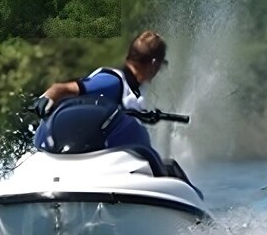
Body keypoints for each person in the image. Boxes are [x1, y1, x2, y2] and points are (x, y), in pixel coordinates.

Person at [32, 30, 168, 149]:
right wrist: (47, 97)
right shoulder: (111, 81)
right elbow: (62, 89)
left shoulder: (134, 89)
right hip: (82, 155)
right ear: (153, 64)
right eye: (161, 66)